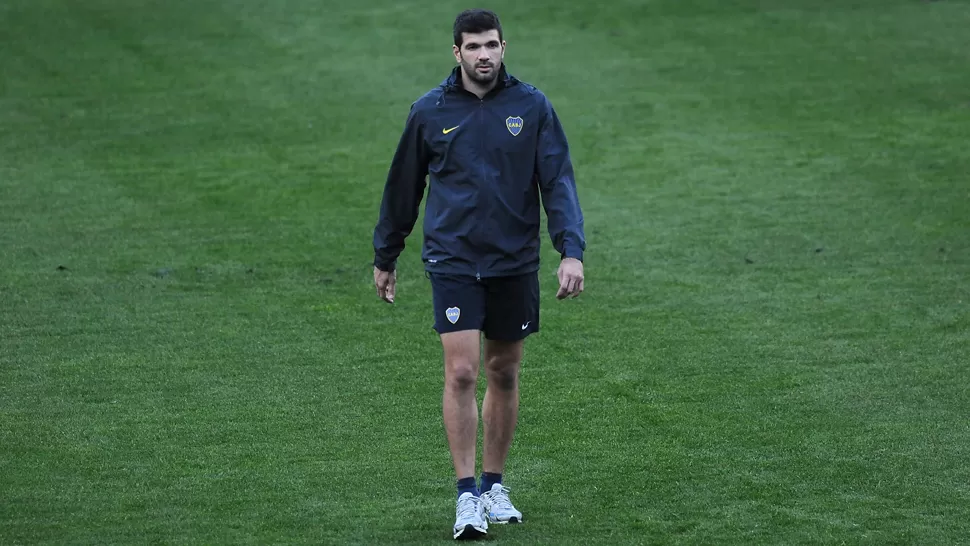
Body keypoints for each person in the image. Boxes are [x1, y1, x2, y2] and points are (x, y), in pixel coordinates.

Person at [371, 8, 586, 540]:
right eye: (473, 47)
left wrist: (571, 250)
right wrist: (386, 254)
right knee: (463, 372)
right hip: (454, 260)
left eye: (491, 45)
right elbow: (404, 188)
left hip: (514, 260)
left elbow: (556, 180)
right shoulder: (429, 111)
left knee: (504, 371)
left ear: (503, 47)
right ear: (457, 53)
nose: (484, 55)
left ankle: (494, 484)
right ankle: (467, 495)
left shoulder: (531, 106)